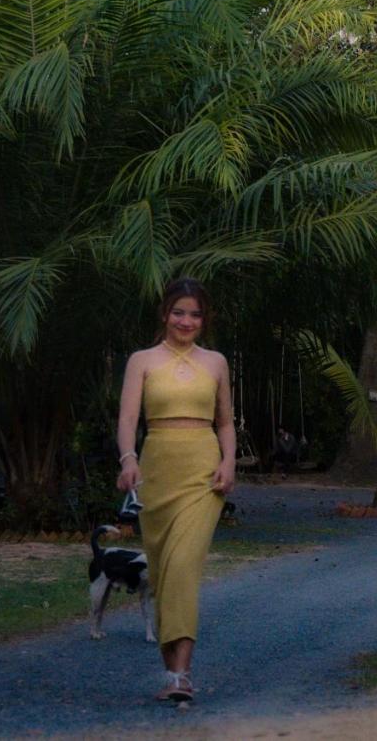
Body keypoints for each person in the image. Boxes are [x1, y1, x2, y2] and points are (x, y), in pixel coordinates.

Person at [116, 277, 236, 703]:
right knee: (164, 570)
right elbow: (129, 419)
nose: (187, 321)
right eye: (179, 312)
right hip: (156, 470)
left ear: (205, 320)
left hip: (203, 471)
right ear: (165, 314)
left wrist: (229, 460)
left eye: (196, 314)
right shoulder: (142, 360)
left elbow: (224, 421)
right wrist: (128, 459)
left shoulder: (217, 362)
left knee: (183, 565)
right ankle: (172, 673)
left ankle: (182, 675)